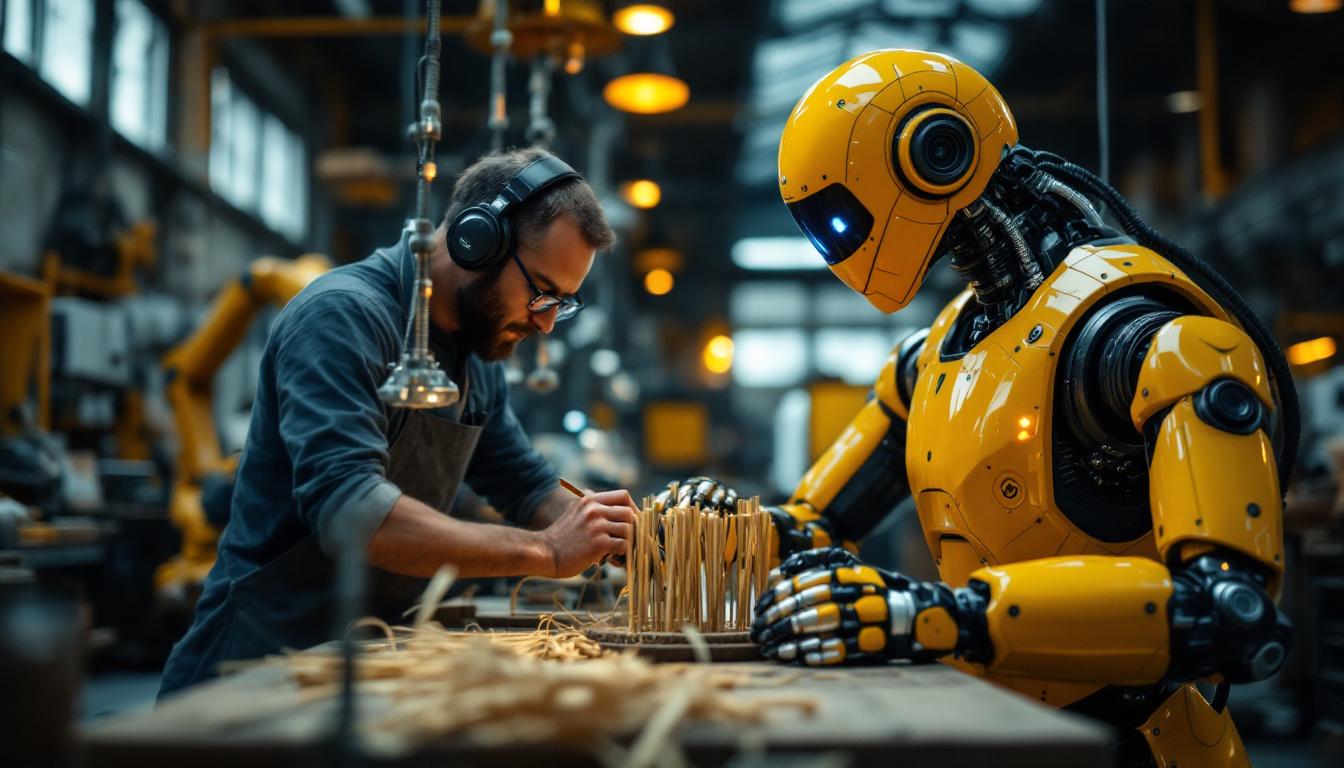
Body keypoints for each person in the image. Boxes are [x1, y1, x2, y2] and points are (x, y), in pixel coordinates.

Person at [667, 50, 1297, 767]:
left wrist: (937, 618)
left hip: (1140, 742)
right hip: (993, 725)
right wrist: (719, 533)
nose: (836, 243)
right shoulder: (931, 358)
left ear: (935, 155)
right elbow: (817, 526)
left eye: (840, 217)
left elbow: (1229, 613)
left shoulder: (1144, 343)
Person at [160, 148, 636, 696]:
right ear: (477, 241)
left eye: (562, 304)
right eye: (542, 292)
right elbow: (353, 512)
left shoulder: (476, 353)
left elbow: (524, 484)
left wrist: (609, 528)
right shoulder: (342, 316)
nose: (546, 324)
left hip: (362, 661)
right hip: (253, 670)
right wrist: (549, 551)